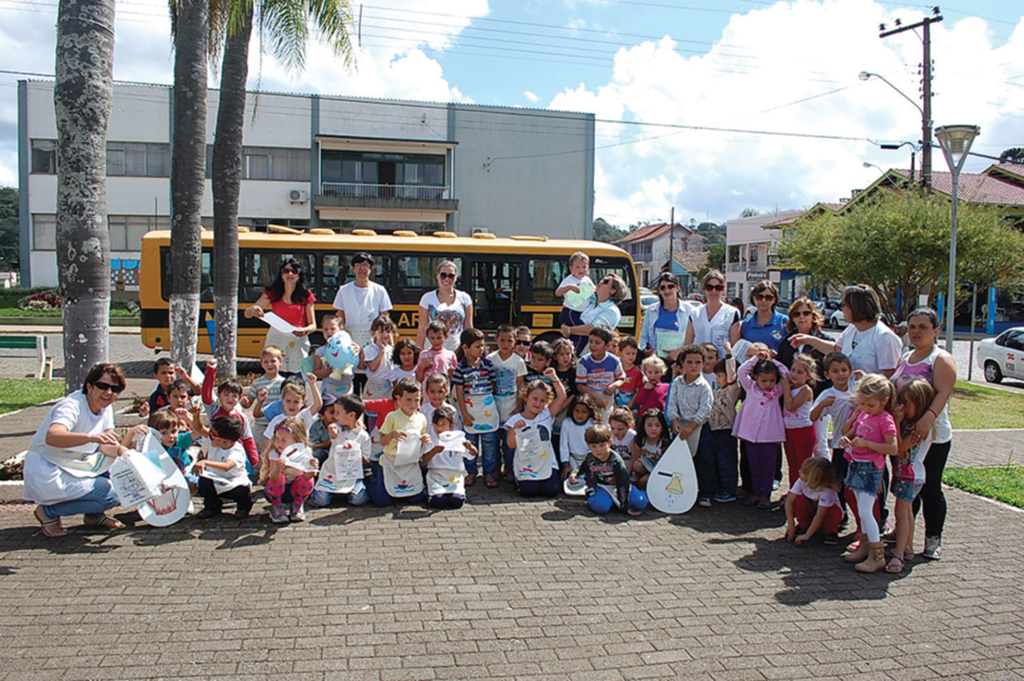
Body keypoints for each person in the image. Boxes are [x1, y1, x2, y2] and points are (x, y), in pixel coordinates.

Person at [23, 363, 129, 537]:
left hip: (75, 464)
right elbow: (53, 435)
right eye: (103, 386)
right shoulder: (72, 405)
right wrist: (91, 437)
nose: (109, 393)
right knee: (112, 495)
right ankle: (47, 512)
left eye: (115, 389)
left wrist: (122, 451)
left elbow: (106, 443)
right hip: (49, 468)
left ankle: (94, 516)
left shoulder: (105, 406)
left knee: (119, 476)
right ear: (89, 386)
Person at [891, 307, 956, 561]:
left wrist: (927, 418)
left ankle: (933, 539)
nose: (916, 332)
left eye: (923, 327)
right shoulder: (906, 357)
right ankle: (905, 538)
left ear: (935, 331)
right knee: (906, 488)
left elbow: (943, 392)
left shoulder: (940, 359)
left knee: (929, 488)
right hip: (904, 436)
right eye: (913, 327)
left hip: (931, 438)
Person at [838, 374, 898, 573]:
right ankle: (865, 545)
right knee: (860, 508)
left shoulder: (885, 419)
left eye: (870, 404)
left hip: (871, 468)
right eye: (862, 403)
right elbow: (852, 433)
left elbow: (893, 448)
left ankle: (876, 554)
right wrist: (847, 441)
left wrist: (867, 444)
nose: (865, 408)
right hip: (856, 464)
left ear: (884, 401)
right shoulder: (864, 415)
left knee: (866, 510)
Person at [789, 285, 901, 378]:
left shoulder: (884, 337)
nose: (841, 309)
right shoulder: (852, 329)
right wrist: (808, 340)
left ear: (856, 307)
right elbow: (836, 349)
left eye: (843, 305)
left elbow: (890, 377)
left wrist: (867, 379)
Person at [888, 378, 936, 573]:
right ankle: (907, 547)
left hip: (911, 475)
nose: (903, 407)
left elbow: (898, 448)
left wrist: (897, 422)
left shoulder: (920, 429)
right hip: (906, 474)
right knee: (907, 512)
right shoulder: (911, 425)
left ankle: (898, 554)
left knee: (901, 513)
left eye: (907, 403)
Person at [332, 252, 393, 395]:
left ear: (371, 269)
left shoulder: (379, 291)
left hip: (373, 343)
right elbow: (340, 320)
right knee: (350, 388)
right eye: (358, 265)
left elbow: (385, 323)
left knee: (371, 387)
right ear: (353, 268)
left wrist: (389, 347)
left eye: (366, 265)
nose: (362, 269)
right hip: (350, 343)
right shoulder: (344, 291)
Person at [733, 352, 788, 509]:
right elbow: (741, 371)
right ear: (755, 377)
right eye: (764, 380)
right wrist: (757, 359)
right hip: (751, 435)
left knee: (768, 467)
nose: (768, 384)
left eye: (771, 380)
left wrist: (773, 360)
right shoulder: (750, 388)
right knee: (754, 466)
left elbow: (786, 374)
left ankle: (765, 494)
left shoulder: (777, 392)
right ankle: (755, 492)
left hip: (769, 437)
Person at [244, 258, 317, 374]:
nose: (290, 274)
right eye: (286, 271)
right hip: (276, 340)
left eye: (294, 271)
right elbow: (247, 314)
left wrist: (304, 330)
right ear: (281, 274)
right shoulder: (273, 292)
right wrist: (253, 309)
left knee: (296, 380)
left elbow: (313, 325)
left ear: (299, 275)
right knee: (276, 376)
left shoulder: (306, 294)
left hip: (297, 341)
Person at [506, 372, 569, 498]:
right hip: (526, 463)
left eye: (542, 401)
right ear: (526, 397)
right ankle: (521, 481)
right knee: (529, 492)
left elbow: (562, 397)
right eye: (535, 398)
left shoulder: (546, 414)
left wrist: (554, 378)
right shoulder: (515, 419)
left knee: (551, 491)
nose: (537, 403)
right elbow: (511, 445)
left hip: (547, 462)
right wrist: (515, 429)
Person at [809, 352, 857, 518]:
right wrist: (822, 405)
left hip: (860, 445)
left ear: (850, 371)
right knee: (838, 481)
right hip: (839, 445)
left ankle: (872, 517)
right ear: (827, 375)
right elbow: (812, 417)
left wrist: (865, 378)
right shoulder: (828, 394)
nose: (841, 374)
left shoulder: (856, 388)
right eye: (835, 371)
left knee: (858, 482)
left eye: (844, 370)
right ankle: (841, 512)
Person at [666, 344, 713, 506]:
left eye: (698, 362)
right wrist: (674, 421)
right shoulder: (677, 383)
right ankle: (683, 489)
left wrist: (691, 427)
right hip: (679, 425)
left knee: (703, 459)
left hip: (698, 426)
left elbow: (705, 410)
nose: (694, 366)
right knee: (680, 460)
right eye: (690, 362)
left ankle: (705, 493)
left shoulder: (704, 387)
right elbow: (671, 404)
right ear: (683, 364)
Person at [452, 328, 498, 487]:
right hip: (469, 412)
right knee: (469, 443)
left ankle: (489, 473)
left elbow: (493, 383)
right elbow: (459, 391)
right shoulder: (461, 368)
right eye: (477, 346)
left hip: (487, 411)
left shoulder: (488, 364)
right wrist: (464, 413)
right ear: (465, 347)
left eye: (482, 346)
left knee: (489, 445)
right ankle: (471, 472)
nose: (481, 350)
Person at [569, 424, 648, 517]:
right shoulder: (590, 456)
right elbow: (582, 467)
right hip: (602, 486)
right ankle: (592, 494)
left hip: (619, 486)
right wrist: (575, 474)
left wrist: (624, 507)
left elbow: (623, 483)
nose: (598, 450)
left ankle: (641, 494)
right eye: (593, 446)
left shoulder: (616, 461)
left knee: (641, 503)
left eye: (602, 445)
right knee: (601, 507)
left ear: (610, 443)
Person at [310, 395, 371, 509]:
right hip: (332, 472)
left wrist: (355, 450)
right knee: (321, 501)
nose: (334, 416)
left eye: (338, 412)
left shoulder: (363, 436)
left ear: (351, 415)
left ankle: (354, 490)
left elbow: (366, 462)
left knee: (359, 499)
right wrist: (332, 433)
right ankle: (318, 491)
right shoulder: (337, 428)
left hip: (352, 474)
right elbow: (333, 430)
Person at [376, 378, 432, 505]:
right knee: (382, 502)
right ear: (399, 399)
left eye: (416, 400)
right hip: (391, 462)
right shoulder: (392, 416)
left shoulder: (421, 418)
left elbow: (423, 436)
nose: (413, 404)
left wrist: (426, 438)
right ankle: (373, 481)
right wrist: (392, 435)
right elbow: (382, 441)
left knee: (416, 499)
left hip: (410, 462)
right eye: (408, 399)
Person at [194, 415, 254, 520]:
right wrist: (195, 415)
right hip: (215, 478)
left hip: (234, 482)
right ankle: (212, 506)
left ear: (225, 441)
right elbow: (199, 428)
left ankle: (244, 506)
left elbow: (227, 466)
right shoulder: (215, 441)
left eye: (212, 435)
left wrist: (206, 462)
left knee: (241, 491)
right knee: (203, 482)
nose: (209, 436)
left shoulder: (236, 451)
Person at [488, 324, 528, 481]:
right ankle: (495, 468)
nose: (505, 344)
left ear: (515, 341)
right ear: (496, 340)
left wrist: (519, 406)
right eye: (502, 340)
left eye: (509, 341)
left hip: (511, 409)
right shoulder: (491, 359)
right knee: (493, 443)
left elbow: (521, 386)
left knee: (510, 442)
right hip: (492, 409)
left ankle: (510, 468)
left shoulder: (518, 362)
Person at [261, 417, 319, 523]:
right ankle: (277, 506)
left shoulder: (304, 452)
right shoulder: (275, 453)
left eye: (284, 440)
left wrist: (312, 467)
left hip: (295, 490)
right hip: (276, 491)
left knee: (308, 481)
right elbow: (272, 478)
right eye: (277, 439)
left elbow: (308, 476)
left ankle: (297, 505)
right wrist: (278, 469)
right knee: (279, 478)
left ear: (297, 440)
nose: (279, 443)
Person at [422, 405, 478, 509]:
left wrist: (470, 446)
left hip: (454, 475)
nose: (439, 428)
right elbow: (425, 459)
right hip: (436, 474)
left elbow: (473, 454)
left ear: (451, 426)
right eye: (436, 425)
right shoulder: (431, 441)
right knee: (438, 501)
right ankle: (429, 494)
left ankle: (457, 494)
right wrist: (434, 451)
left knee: (456, 502)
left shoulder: (458, 439)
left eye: (443, 425)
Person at [704, 355, 742, 503]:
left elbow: (732, 374)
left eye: (720, 375)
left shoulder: (733, 389)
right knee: (717, 461)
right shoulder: (720, 390)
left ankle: (729, 490)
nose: (718, 379)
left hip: (726, 431)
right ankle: (719, 487)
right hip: (715, 430)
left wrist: (729, 355)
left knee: (727, 461)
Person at [561, 274, 628, 356]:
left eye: (606, 281)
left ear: (613, 291)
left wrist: (569, 330)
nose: (601, 282)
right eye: (602, 279)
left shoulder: (612, 310)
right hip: (579, 353)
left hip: (593, 356)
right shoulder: (591, 302)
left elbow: (594, 329)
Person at [417, 259, 474, 353]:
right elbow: (422, 328)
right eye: (443, 275)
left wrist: (470, 352)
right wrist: (418, 353)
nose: (447, 279)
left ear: (456, 278)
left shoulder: (465, 298)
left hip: (457, 349)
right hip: (433, 350)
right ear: (437, 276)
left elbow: (468, 328)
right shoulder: (427, 298)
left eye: (451, 276)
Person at [784, 457, 843, 547]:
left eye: (804, 472)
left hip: (825, 512)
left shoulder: (826, 491)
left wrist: (807, 536)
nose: (799, 471)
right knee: (799, 500)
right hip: (813, 507)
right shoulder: (801, 481)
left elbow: (820, 516)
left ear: (814, 478)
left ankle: (831, 531)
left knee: (832, 511)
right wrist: (791, 524)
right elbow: (789, 501)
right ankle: (804, 524)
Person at [639, 272, 693, 367]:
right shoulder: (651, 311)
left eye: (670, 286)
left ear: (677, 287)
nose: (667, 290)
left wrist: (679, 351)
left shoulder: (690, 311)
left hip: (681, 362)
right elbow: (643, 336)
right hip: (656, 363)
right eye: (663, 287)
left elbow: (694, 338)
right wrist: (645, 350)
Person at [575, 324, 626, 422]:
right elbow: (580, 385)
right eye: (591, 342)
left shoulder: (614, 361)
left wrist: (614, 385)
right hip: (589, 400)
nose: (592, 345)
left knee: (605, 424)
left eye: (597, 343)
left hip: (607, 400)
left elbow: (621, 378)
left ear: (608, 345)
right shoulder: (584, 362)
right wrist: (594, 395)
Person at [686, 270, 741, 357]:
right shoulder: (694, 314)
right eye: (709, 287)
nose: (714, 291)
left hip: (721, 366)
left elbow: (735, 346)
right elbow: (688, 344)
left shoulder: (732, 313)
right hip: (698, 365)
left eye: (718, 288)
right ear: (704, 289)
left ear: (723, 289)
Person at [782, 354, 818, 488]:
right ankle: (793, 491)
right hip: (789, 430)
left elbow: (791, 406)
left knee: (803, 465)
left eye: (800, 372)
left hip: (803, 431)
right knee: (792, 464)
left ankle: (804, 493)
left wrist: (786, 388)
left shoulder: (805, 390)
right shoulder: (791, 388)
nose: (794, 374)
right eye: (793, 370)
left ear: (808, 376)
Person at [243, 346, 285, 448]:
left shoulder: (285, 383)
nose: (269, 364)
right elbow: (249, 403)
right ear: (261, 364)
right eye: (265, 362)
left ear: (280, 361)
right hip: (262, 426)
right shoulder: (258, 383)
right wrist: (244, 402)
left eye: (273, 361)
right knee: (261, 453)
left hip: (280, 426)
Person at [739, 280, 789, 355]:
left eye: (768, 297)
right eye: (759, 297)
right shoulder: (746, 324)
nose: (763, 300)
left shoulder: (784, 321)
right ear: (753, 298)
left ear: (774, 300)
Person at [629, 408, 672, 490]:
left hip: (660, 469)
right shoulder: (639, 440)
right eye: (649, 425)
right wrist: (627, 476)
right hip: (646, 466)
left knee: (644, 481)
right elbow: (635, 458)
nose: (653, 429)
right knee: (637, 465)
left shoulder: (665, 443)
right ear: (643, 426)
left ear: (662, 427)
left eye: (657, 425)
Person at [559, 394, 600, 479]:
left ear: (589, 412)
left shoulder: (592, 424)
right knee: (569, 480)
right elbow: (563, 444)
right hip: (572, 458)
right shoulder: (567, 423)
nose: (579, 415)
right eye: (577, 411)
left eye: (584, 412)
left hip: (589, 458)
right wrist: (565, 464)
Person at [555, 251, 596, 330]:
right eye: (577, 267)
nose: (581, 270)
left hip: (583, 313)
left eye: (584, 267)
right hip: (571, 312)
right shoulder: (569, 280)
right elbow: (558, 293)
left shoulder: (587, 279)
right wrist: (569, 287)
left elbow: (594, 291)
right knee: (581, 331)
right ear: (571, 268)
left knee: (583, 332)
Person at [361, 316, 397, 401]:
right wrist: (382, 351)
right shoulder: (370, 349)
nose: (385, 335)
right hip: (375, 386)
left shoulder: (392, 350)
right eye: (381, 332)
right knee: (373, 411)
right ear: (373, 333)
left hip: (388, 386)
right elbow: (373, 367)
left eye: (388, 332)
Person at [416, 320, 458, 386]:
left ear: (446, 336)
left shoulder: (450, 355)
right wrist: (422, 367)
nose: (436, 341)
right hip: (427, 392)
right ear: (427, 337)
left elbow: (456, 378)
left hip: (444, 391)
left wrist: (452, 373)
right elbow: (418, 379)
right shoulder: (423, 355)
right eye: (432, 338)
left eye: (439, 338)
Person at [617, 337, 643, 408]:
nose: (631, 356)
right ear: (620, 353)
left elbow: (638, 391)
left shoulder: (637, 372)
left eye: (633, 353)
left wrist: (630, 405)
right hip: (617, 400)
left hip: (631, 403)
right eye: (627, 353)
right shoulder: (616, 369)